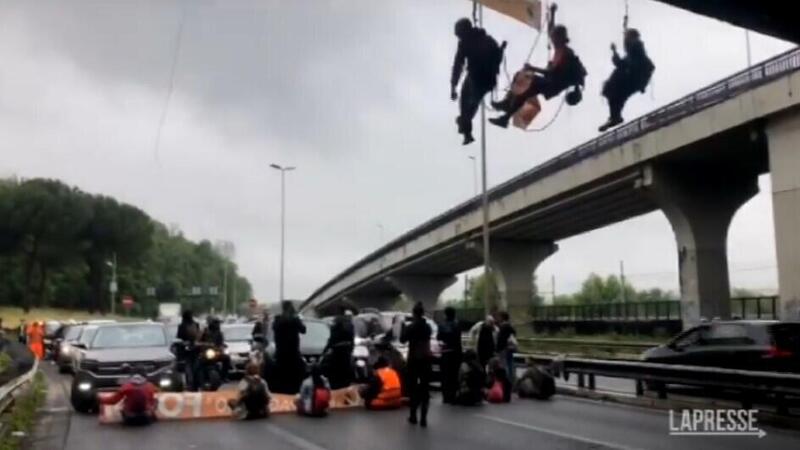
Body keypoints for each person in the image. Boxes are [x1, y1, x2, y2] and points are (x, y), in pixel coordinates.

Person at [490, 4, 586, 129]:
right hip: (551, 82)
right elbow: (550, 30)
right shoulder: (559, 47)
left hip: (553, 85)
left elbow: (551, 72)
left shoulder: (565, 53)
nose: (553, 38)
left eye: (555, 37)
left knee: (526, 78)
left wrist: (532, 68)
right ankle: (505, 116)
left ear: (561, 38)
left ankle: (506, 104)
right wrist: (552, 13)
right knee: (524, 92)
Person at [451, 17, 504, 145]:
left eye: (459, 35)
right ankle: (465, 128)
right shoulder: (487, 39)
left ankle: (465, 128)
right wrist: (501, 50)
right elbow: (498, 56)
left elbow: (458, 64)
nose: (459, 38)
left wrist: (453, 86)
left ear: (463, 32)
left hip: (476, 78)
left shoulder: (465, 42)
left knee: (466, 104)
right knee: (472, 104)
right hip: (488, 81)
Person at [598, 28, 654, 132]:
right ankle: (615, 116)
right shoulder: (631, 55)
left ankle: (615, 116)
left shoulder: (637, 48)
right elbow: (620, 63)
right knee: (615, 95)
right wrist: (614, 51)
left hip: (633, 79)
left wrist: (627, 38)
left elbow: (630, 52)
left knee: (614, 90)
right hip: (631, 80)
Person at [400, 302, 432, 427]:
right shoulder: (428, 327)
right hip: (426, 359)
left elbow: (402, 340)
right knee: (425, 389)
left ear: (414, 314)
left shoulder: (411, 327)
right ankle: (424, 418)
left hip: (413, 360)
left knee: (412, 388)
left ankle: (413, 415)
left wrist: (403, 327)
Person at [271, 301, 307, 394]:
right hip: (293, 352)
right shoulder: (295, 319)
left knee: (281, 375)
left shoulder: (278, 320)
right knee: (297, 374)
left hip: (281, 353)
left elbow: (274, 329)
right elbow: (303, 330)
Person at [323, 307, 355, 389]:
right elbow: (352, 338)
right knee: (345, 374)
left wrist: (326, 349)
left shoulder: (336, 322)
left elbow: (332, 338)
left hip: (337, 351)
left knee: (335, 375)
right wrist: (351, 349)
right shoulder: (349, 323)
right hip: (347, 351)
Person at [436, 306, 462, 404]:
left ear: (445, 314)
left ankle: (446, 396)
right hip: (456, 352)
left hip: (446, 352)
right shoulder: (457, 325)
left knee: (445, 375)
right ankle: (454, 395)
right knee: (454, 374)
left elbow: (439, 337)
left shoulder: (442, 325)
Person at [176, 310, 200, 391]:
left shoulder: (194, 325)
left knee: (193, 367)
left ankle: (194, 383)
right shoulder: (183, 326)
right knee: (190, 368)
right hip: (188, 350)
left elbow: (199, 336)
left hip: (194, 349)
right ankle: (191, 383)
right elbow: (179, 338)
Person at [495, 311, 517, 383]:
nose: (498, 318)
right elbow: (514, 334)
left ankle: (506, 381)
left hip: (503, 349)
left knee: (504, 366)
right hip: (510, 348)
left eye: (499, 317)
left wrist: (497, 349)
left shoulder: (503, 327)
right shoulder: (510, 326)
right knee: (510, 364)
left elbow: (500, 340)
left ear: (502, 317)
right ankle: (512, 380)